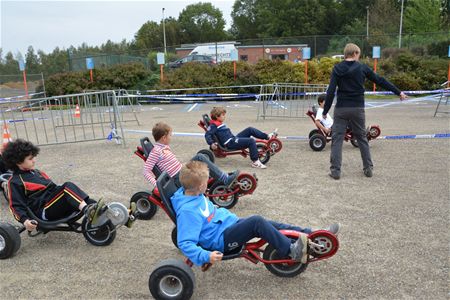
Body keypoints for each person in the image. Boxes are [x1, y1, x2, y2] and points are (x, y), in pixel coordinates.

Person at [171, 160, 340, 266]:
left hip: (228, 225)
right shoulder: (188, 211)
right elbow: (185, 242)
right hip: (221, 240)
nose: (208, 183)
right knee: (256, 221)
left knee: (272, 225)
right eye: (207, 181)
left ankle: (312, 234)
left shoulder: (192, 193)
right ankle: (291, 250)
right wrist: (205, 255)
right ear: (200, 186)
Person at [323, 43, 407, 180]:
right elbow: (380, 80)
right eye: (359, 54)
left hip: (341, 108)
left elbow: (331, 91)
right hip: (357, 108)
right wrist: (398, 92)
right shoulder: (362, 67)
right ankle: (368, 168)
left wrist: (325, 110)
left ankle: (335, 171)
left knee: (337, 140)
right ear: (355, 53)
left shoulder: (337, 68)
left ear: (345, 54)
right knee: (362, 138)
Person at [3, 139, 105, 232]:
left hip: (53, 204)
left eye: (34, 157)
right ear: (18, 161)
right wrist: (25, 221)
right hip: (43, 212)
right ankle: (88, 210)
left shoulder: (37, 172)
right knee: (67, 187)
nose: (34, 160)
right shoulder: (15, 182)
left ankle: (104, 217)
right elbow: (16, 206)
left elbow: (54, 188)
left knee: (88, 201)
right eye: (30, 159)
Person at [144, 122, 239, 189]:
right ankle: (225, 179)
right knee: (200, 158)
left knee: (200, 157)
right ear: (164, 137)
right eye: (170, 135)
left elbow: (171, 164)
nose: (171, 137)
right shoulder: (156, 151)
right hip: (177, 179)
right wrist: (157, 185)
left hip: (181, 171)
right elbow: (146, 171)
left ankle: (220, 177)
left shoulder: (164, 147)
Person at [205, 106, 278, 169]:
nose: (225, 116)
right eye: (223, 115)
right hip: (230, 143)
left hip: (233, 139)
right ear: (217, 116)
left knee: (250, 129)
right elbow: (207, 134)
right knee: (251, 141)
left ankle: (268, 137)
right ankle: (255, 162)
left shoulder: (217, 123)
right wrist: (211, 143)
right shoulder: (213, 125)